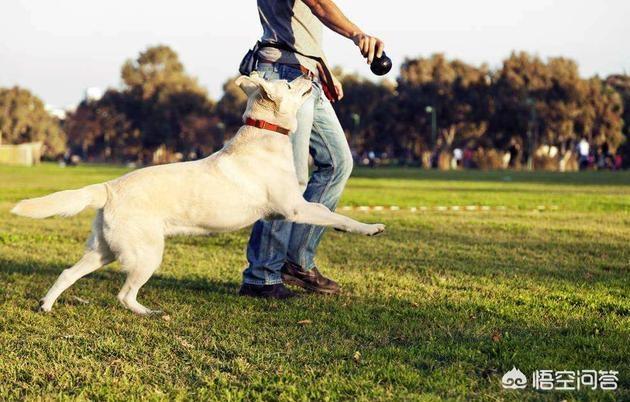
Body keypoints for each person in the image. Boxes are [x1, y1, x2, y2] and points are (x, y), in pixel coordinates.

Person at [238, 0, 386, 299]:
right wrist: (357, 35)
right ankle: (262, 276)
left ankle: (297, 262)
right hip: (284, 75)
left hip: (305, 74)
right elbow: (318, 4)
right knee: (288, 182)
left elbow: (301, 25)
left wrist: (322, 69)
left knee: (337, 163)